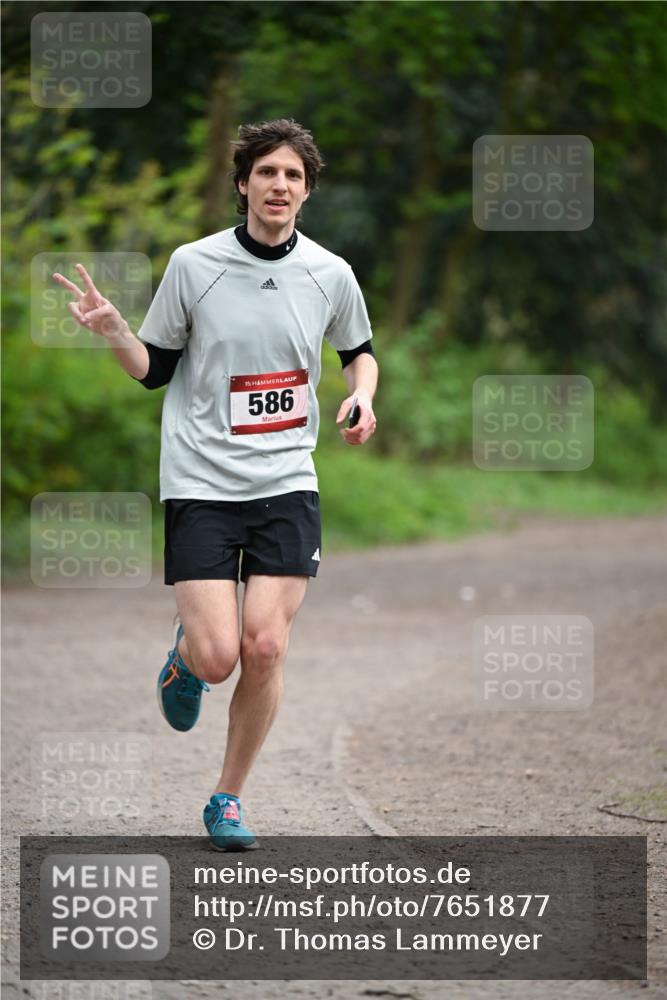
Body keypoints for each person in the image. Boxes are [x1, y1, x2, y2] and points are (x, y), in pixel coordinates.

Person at [51, 118, 378, 851]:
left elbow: (359, 352)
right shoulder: (194, 265)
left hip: (287, 478)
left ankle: (226, 798)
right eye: (267, 173)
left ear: (306, 191)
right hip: (200, 479)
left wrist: (362, 397)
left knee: (264, 647)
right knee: (219, 656)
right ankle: (186, 658)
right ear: (243, 184)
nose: (279, 186)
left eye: (293, 176)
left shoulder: (330, 273)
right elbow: (156, 369)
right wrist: (114, 331)